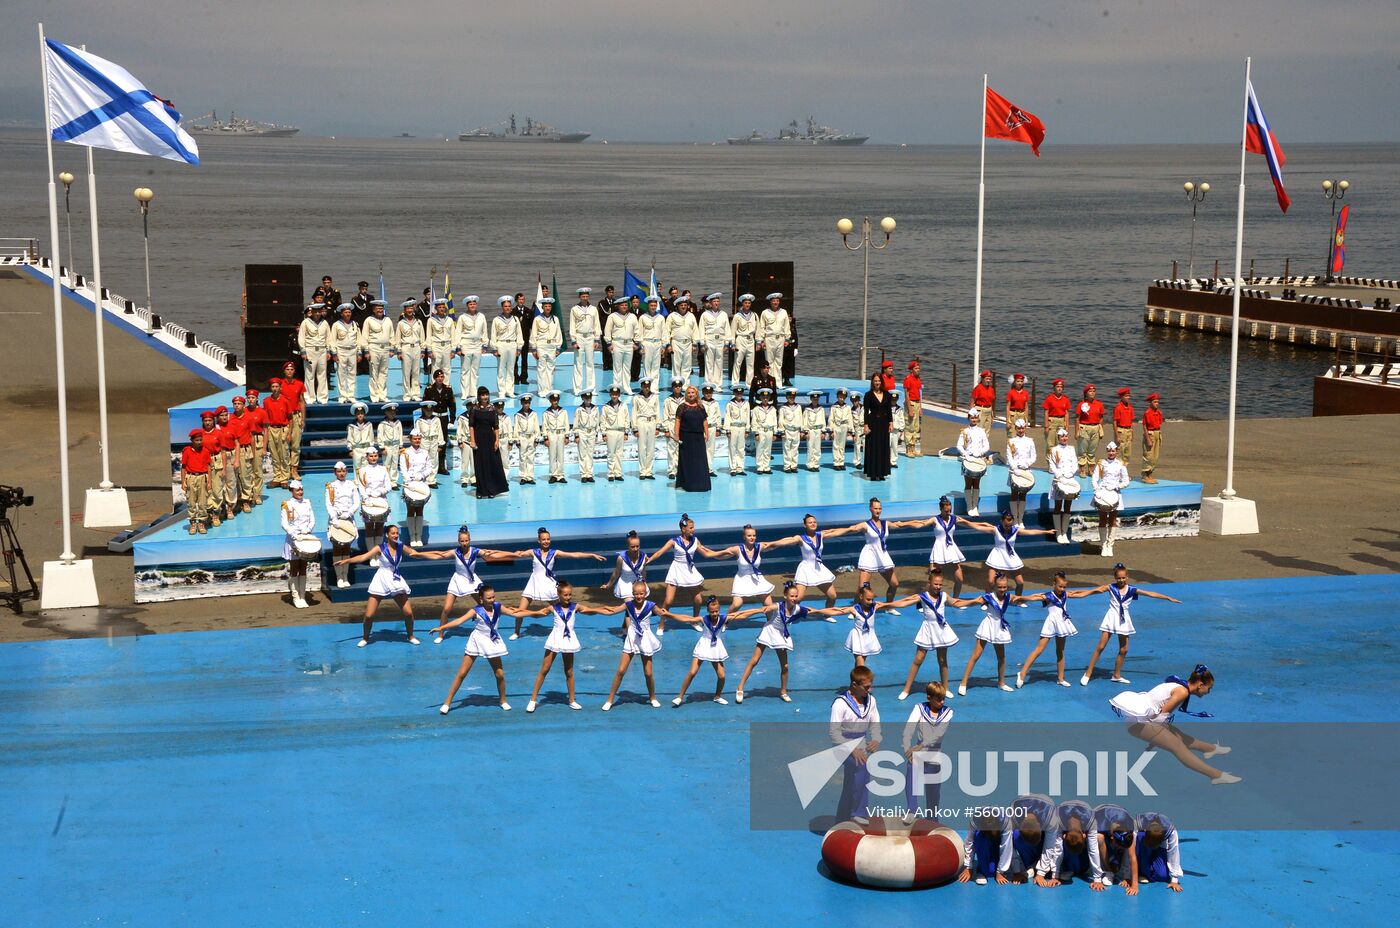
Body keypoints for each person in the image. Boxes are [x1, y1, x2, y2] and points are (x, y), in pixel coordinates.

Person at [1109, 664, 1237, 785]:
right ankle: (1216, 776)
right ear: (1200, 685)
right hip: (1141, 723)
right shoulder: (1182, 692)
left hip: (1143, 719)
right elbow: (1161, 717)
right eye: (1209, 688)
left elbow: (1160, 716)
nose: (1208, 692)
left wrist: (1156, 739)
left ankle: (1210, 749)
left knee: (1181, 737)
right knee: (1178, 747)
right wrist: (1154, 740)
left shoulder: (1178, 684)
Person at [432, 584, 546, 713]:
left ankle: (503, 700)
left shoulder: (498, 607)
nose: (492, 600)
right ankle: (447, 703)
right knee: (462, 673)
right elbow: (459, 621)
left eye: (493, 597)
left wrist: (535, 612)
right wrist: (441, 628)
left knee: (500, 674)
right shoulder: (475, 611)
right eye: (489, 598)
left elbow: (515, 613)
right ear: (481, 599)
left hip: (491, 642)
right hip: (477, 641)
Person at [524, 578, 625, 712]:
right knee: (544, 670)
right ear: (558, 595)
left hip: (568, 640)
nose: (568, 597)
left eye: (570, 594)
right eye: (565, 595)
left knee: (569, 671)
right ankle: (533, 700)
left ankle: (571, 700)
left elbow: (591, 610)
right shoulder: (552, 608)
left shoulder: (575, 607)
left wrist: (604, 609)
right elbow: (536, 614)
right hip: (554, 639)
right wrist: (519, 612)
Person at [733, 581, 843, 703]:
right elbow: (760, 610)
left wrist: (844, 611)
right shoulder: (777, 606)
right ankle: (740, 687)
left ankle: (783, 691)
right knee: (754, 661)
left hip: (781, 636)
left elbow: (819, 611)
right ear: (785, 596)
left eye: (796, 596)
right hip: (769, 632)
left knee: (785, 666)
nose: (794, 598)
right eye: (792, 596)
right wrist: (734, 616)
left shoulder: (798, 609)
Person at [1081, 562, 1182, 686]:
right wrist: (1074, 594)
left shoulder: (1132, 590)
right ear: (1115, 577)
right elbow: (1093, 591)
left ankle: (1116, 675)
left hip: (1124, 620)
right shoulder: (1110, 588)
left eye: (1123, 577)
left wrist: (1168, 598)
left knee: (1124, 649)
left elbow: (1150, 593)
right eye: (1119, 578)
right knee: (1101, 647)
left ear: (1127, 577)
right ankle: (1088, 673)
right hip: (1111, 618)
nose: (1121, 580)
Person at [888, 567, 982, 700]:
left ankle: (945, 688)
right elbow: (904, 602)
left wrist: (974, 602)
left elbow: (957, 602)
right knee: (918, 659)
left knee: (943, 660)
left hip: (941, 630)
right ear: (929, 583)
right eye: (935, 584)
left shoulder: (944, 596)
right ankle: (906, 689)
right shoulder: (922, 597)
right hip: (927, 630)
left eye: (940, 584)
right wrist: (886, 605)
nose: (938, 587)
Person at [336, 524, 435, 646]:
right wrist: (347, 561)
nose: (395, 535)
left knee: (408, 613)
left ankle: (410, 636)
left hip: (395, 580)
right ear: (387, 535)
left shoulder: (401, 547)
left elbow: (416, 554)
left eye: (397, 533)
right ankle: (365, 638)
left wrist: (435, 556)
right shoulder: (380, 548)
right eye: (393, 533)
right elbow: (363, 557)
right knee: (369, 615)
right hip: (381, 579)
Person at [422, 525, 519, 643]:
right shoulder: (455, 552)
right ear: (458, 541)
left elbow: (492, 554)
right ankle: (441, 635)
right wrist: (417, 554)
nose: (464, 543)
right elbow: (440, 555)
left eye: (466, 541)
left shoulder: (476, 551)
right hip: (457, 580)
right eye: (462, 541)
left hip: (472, 581)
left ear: (470, 540)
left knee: (488, 604)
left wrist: (512, 555)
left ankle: (491, 628)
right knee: (446, 609)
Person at [512, 526, 606, 639]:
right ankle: (516, 632)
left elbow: (573, 555)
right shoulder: (533, 552)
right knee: (521, 610)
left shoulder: (555, 552)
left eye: (548, 539)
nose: (546, 541)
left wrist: (591, 555)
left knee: (560, 609)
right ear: (539, 541)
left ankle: (565, 628)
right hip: (533, 583)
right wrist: (501, 553)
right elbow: (517, 555)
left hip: (548, 584)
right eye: (544, 539)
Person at [1014, 571, 1104, 689]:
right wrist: (1020, 597)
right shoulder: (1048, 596)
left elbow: (1080, 594)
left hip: (1062, 624)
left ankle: (1060, 678)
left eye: (1064, 587)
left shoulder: (1066, 594)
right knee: (1039, 649)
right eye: (1060, 586)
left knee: (1060, 651)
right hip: (1051, 624)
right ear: (1054, 584)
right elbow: (1034, 597)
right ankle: (1022, 673)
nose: (1062, 589)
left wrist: (1095, 590)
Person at [601, 582, 680, 711]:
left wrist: (681, 618)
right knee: (621, 671)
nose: (639, 596)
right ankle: (610, 700)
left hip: (645, 640)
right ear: (633, 594)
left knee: (648, 673)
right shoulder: (628, 605)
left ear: (646, 593)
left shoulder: (651, 606)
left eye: (641, 593)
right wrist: (597, 609)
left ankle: (653, 697)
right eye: (636, 594)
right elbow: (613, 611)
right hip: (632, 639)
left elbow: (664, 614)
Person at [647, 513, 728, 634]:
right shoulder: (673, 541)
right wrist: (649, 560)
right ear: (683, 529)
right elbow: (659, 552)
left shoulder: (695, 541)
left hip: (689, 571)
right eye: (691, 528)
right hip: (676, 570)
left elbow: (706, 553)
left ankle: (694, 621)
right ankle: (662, 624)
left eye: (693, 528)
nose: (693, 530)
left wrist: (722, 554)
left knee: (698, 600)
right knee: (668, 601)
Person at [830, 665, 882, 823]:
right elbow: (834, 734)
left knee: (850, 784)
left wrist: (876, 739)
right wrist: (852, 750)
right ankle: (858, 813)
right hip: (842, 746)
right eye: (866, 687)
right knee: (862, 766)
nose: (870, 689)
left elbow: (875, 724)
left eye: (871, 685)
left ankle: (841, 819)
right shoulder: (840, 704)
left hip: (861, 744)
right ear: (854, 685)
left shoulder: (871, 701)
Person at [962, 510, 1056, 598]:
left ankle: (1018, 600)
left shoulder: (1016, 530)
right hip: (997, 556)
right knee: (991, 582)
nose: (1008, 527)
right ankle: (987, 601)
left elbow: (1031, 532)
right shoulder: (995, 530)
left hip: (1010, 558)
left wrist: (1046, 531)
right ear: (1002, 521)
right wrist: (963, 521)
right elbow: (977, 527)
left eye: (1010, 525)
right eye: (1006, 525)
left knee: (1020, 583)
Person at [670, 595, 743, 706]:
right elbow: (686, 618)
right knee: (692, 672)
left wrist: (760, 610)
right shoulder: (703, 619)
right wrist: (669, 614)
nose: (714, 614)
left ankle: (717, 696)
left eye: (716, 611)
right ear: (708, 611)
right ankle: (680, 697)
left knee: (722, 676)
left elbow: (743, 615)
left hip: (716, 647)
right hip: (704, 646)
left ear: (719, 610)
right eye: (712, 612)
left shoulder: (724, 618)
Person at [849, 496, 917, 612]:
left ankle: (889, 606)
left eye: (880, 508)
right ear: (870, 509)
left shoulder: (886, 524)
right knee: (862, 587)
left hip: (882, 556)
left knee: (894, 583)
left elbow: (899, 525)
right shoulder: (866, 525)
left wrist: (914, 523)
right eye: (875, 508)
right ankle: (855, 608)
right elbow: (853, 528)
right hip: (869, 556)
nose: (878, 511)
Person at [957, 572, 1017, 694]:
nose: (1002, 589)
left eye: (1004, 587)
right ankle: (963, 683)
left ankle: (1001, 683)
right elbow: (972, 602)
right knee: (976, 655)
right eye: (999, 587)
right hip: (988, 627)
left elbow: (1025, 599)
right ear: (994, 587)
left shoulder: (1008, 597)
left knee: (1001, 658)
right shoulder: (988, 597)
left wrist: (1042, 597)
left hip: (999, 628)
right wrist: (956, 603)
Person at [900, 681, 952, 822]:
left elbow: (938, 735)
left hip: (935, 755)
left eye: (943, 699)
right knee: (911, 776)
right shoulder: (919, 709)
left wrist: (920, 746)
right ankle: (912, 810)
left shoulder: (948, 712)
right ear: (929, 697)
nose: (942, 702)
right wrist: (907, 749)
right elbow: (908, 730)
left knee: (933, 794)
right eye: (938, 699)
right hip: (919, 753)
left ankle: (932, 820)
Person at [784, 513, 858, 608]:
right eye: (810, 522)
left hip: (819, 568)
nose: (813, 524)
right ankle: (787, 614)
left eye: (814, 522)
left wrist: (850, 529)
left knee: (832, 596)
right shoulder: (800, 538)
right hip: (805, 569)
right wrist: (770, 544)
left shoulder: (821, 535)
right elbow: (787, 540)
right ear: (805, 525)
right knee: (797, 598)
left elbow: (834, 531)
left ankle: (827, 614)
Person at [906, 496, 969, 600]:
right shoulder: (935, 519)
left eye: (950, 510)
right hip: (939, 549)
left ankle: (956, 599)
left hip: (952, 548)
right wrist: (906, 524)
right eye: (946, 511)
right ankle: (924, 601)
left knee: (960, 578)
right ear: (941, 509)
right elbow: (921, 524)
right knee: (933, 579)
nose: (948, 513)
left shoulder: (954, 518)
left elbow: (970, 524)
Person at [840, 582, 903, 667]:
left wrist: (911, 601)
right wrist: (817, 611)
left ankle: (855, 679)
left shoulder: (874, 607)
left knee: (859, 664)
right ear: (861, 596)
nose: (870, 602)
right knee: (861, 664)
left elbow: (893, 604)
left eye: (872, 599)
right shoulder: (854, 609)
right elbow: (837, 610)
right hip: (857, 637)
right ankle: (859, 679)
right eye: (868, 599)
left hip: (868, 638)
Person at [324, 462, 362, 589]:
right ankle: (338, 577)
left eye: (343, 471)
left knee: (346, 547)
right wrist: (334, 517)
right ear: (335, 472)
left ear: (346, 471)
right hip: (336, 519)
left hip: (348, 518)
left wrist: (350, 512)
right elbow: (328, 504)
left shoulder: (352, 485)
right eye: (339, 471)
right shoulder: (330, 486)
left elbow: (356, 501)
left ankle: (345, 575)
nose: (341, 473)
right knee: (337, 548)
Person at [279, 481, 316, 608]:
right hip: (293, 539)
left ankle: (302, 595)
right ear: (292, 491)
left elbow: (312, 519)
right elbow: (284, 523)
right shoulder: (287, 505)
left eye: (301, 490)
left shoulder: (307, 503)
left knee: (303, 567)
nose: (300, 492)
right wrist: (294, 534)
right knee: (295, 568)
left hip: (305, 537)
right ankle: (295, 597)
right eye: (297, 490)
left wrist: (308, 529)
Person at [467, 387, 508, 499]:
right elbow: (471, 426)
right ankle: (480, 491)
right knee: (480, 464)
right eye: (482, 395)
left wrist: (497, 440)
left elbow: (496, 427)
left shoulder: (492, 409)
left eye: (486, 395)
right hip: (479, 439)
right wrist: (473, 440)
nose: (485, 397)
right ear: (479, 396)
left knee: (491, 464)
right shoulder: (474, 409)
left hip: (490, 439)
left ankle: (491, 490)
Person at [1092, 441, 1131, 557]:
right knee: (1103, 518)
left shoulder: (1120, 464)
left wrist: (1117, 486)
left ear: (1116, 452)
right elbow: (1094, 479)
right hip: (1103, 493)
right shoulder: (1101, 463)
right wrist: (1097, 490)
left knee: (1113, 520)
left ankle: (1110, 545)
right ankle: (1103, 545)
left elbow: (1126, 481)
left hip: (1115, 493)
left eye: (1113, 451)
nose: (1111, 453)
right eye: (1109, 451)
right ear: (1107, 451)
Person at [1089, 804, 1139, 893]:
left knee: (1118, 865)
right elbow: (1092, 850)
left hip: (1114, 828)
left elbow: (1132, 856)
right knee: (1098, 837)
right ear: (1112, 837)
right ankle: (1107, 870)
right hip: (1100, 824)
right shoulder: (1097, 822)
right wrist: (1097, 879)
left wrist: (1133, 884)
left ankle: (1119, 869)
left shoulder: (1130, 826)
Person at [673, 384, 711, 492]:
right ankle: (688, 484)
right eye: (689, 393)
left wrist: (706, 433)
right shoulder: (682, 407)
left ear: (696, 394)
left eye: (693, 392)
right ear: (686, 394)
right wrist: (676, 434)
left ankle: (701, 484)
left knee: (700, 461)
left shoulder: (701, 406)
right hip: (686, 437)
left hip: (698, 437)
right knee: (687, 461)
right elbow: (678, 421)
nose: (691, 394)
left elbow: (704, 420)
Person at [398, 430, 434, 546]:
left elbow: (429, 468)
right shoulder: (405, 453)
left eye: (419, 439)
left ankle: (418, 536)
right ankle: (412, 537)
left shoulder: (425, 452)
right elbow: (403, 468)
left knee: (420, 510)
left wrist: (422, 475)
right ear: (410, 439)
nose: (417, 441)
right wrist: (409, 480)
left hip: (421, 483)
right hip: (410, 484)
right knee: (410, 509)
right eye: (415, 439)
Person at [1135, 813, 1189, 888]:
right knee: (1139, 836)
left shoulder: (1171, 832)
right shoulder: (1140, 824)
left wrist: (1174, 880)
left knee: (1162, 876)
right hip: (1143, 844)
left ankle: (1146, 872)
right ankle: (1141, 872)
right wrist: (1128, 875)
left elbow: (1173, 853)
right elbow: (1131, 849)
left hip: (1161, 848)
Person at [356, 446, 391, 560]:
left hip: (381, 499)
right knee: (369, 528)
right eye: (371, 456)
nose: (373, 458)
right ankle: (371, 556)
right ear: (367, 457)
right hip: (368, 500)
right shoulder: (362, 470)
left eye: (375, 455)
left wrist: (381, 491)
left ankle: (379, 555)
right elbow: (361, 486)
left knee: (380, 527)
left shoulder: (383, 469)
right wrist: (366, 497)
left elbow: (388, 485)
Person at [1047, 428, 1079, 544]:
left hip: (1070, 479)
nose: (1064, 438)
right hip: (1059, 479)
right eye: (1062, 437)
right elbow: (1052, 464)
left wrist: (1071, 472)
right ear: (1058, 438)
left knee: (1068, 506)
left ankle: (1064, 532)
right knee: (1058, 505)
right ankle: (1058, 532)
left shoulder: (1071, 449)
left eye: (1066, 436)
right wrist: (1059, 474)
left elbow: (1075, 462)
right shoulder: (1054, 450)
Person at [957, 408, 991, 517]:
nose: (974, 419)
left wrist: (980, 452)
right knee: (968, 483)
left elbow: (986, 445)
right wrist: (966, 454)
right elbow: (959, 445)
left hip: (978, 459)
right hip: (968, 459)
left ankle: (974, 506)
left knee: (976, 483)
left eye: (976, 417)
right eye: (972, 417)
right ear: (969, 418)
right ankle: (969, 506)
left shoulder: (982, 431)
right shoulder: (964, 431)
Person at [227, 395, 258, 513]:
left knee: (245, 476)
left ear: (243, 405)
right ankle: (237, 500)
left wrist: (254, 453)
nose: (237, 405)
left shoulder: (249, 418)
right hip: (233, 451)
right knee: (234, 477)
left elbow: (252, 437)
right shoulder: (229, 418)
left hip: (245, 449)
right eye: (235, 403)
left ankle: (246, 500)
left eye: (239, 403)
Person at [453, 295, 488, 398]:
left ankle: (473, 392)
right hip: (466, 344)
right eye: (470, 304)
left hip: (477, 344)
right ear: (467, 305)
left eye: (474, 304)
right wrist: (458, 347)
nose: (472, 305)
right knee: (465, 370)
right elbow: (458, 332)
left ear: (476, 304)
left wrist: (485, 345)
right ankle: (465, 393)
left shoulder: (481, 316)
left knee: (475, 370)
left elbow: (484, 331)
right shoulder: (462, 317)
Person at [569, 287, 601, 397]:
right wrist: (573, 340)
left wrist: (597, 339)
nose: (585, 298)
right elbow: (572, 325)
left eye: (586, 296)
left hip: (590, 337)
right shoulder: (574, 309)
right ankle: (577, 389)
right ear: (579, 297)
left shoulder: (593, 309)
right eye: (583, 296)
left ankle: (591, 388)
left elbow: (597, 324)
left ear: (589, 297)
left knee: (590, 363)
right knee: (578, 363)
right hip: (579, 336)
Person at [361, 299, 394, 402]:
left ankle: (382, 395)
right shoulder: (369, 320)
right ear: (373, 309)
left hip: (385, 348)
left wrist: (392, 348)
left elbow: (392, 335)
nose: (380, 310)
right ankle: (374, 395)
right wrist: (366, 351)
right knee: (374, 372)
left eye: (381, 308)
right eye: (378, 308)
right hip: (373, 348)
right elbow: (364, 336)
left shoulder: (388, 320)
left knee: (384, 372)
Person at [261, 381, 293, 489]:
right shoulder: (266, 401)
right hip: (271, 429)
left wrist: (289, 433)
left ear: (280, 388)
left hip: (282, 429)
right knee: (274, 455)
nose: (275, 388)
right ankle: (277, 477)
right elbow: (265, 418)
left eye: (276, 386)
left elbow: (290, 418)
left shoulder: (285, 401)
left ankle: (284, 478)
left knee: (284, 454)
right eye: (273, 386)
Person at [180, 428, 213, 534]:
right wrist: (183, 481)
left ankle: (202, 523)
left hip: (202, 477)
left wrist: (209, 482)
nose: (199, 442)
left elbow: (209, 466)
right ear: (192, 440)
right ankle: (193, 523)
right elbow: (183, 467)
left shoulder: (205, 451)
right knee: (191, 502)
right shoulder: (187, 451)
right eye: (197, 440)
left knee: (203, 502)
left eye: (200, 440)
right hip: (191, 477)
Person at [862, 373, 894, 481]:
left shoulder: (887, 394)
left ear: (881, 382)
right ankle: (873, 473)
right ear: (872, 382)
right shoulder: (868, 395)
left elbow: (889, 410)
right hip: (873, 423)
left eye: (879, 381)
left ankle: (881, 473)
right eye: (875, 381)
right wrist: (865, 425)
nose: (877, 383)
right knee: (873, 447)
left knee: (883, 447)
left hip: (884, 423)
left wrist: (891, 423)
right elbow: (866, 412)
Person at [297, 302, 331, 404]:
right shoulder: (306, 322)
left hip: (321, 350)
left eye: (319, 311)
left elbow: (328, 338)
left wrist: (328, 350)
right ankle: (309, 397)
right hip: (310, 350)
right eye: (315, 311)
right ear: (311, 312)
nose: (317, 314)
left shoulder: (325, 323)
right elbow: (301, 337)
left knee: (322, 374)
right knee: (309, 375)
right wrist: (303, 351)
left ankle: (322, 397)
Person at [1005, 418, 1036, 526]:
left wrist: (1027, 464)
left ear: (1025, 428)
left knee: (1023, 494)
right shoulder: (1011, 441)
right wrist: (1014, 467)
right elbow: (1009, 456)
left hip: (1025, 470)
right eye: (1019, 428)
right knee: (1014, 494)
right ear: (1016, 428)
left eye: (1022, 428)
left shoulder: (1030, 441)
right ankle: (1014, 518)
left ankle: (1020, 518)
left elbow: (1033, 456)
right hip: (1015, 470)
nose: (1021, 430)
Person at [393, 300, 425, 402]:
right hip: (405, 348)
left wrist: (423, 349)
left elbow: (422, 337)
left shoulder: (418, 322)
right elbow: (397, 338)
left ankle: (415, 393)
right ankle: (407, 394)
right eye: (408, 309)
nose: (410, 310)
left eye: (411, 308)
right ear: (405, 310)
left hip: (416, 347)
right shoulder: (401, 323)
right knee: (406, 372)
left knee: (416, 372)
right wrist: (398, 351)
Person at [603, 297, 636, 395]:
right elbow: (607, 330)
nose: (624, 307)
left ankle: (627, 387)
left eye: (626, 305)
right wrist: (609, 343)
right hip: (617, 343)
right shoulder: (612, 316)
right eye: (622, 305)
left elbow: (637, 329)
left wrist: (637, 342)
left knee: (627, 367)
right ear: (617, 306)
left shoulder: (632, 316)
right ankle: (617, 388)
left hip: (629, 343)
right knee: (617, 367)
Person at [491, 296, 523, 398]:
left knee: (510, 369)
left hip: (512, 344)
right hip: (501, 344)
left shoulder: (515, 319)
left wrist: (519, 347)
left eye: (509, 306)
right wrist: (494, 348)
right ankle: (501, 391)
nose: (507, 308)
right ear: (502, 307)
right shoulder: (496, 319)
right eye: (505, 306)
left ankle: (510, 390)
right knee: (501, 369)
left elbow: (519, 334)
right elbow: (493, 335)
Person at [424, 372, 455, 476]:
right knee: (432, 440)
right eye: (438, 377)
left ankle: (441, 466)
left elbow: (452, 405)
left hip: (444, 417)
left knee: (443, 441)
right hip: (432, 417)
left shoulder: (448, 389)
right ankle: (430, 466)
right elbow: (424, 404)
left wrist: (452, 420)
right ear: (434, 378)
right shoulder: (429, 389)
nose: (440, 379)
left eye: (442, 377)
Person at [530, 297, 563, 397]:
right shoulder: (537, 319)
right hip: (541, 345)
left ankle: (549, 389)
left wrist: (558, 347)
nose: (548, 308)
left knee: (550, 368)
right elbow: (534, 334)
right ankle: (541, 390)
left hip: (552, 346)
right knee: (541, 369)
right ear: (542, 307)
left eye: (549, 306)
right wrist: (534, 348)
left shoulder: (555, 319)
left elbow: (558, 333)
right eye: (546, 306)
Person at [330, 303, 362, 403]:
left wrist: (359, 352)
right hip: (341, 351)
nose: (348, 314)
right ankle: (342, 395)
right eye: (345, 312)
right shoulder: (336, 325)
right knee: (341, 374)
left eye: (349, 312)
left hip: (352, 350)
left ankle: (351, 395)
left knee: (352, 374)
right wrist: (334, 353)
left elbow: (358, 339)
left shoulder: (355, 324)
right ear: (341, 314)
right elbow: (332, 340)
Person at [631, 378, 662, 480]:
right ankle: (642, 471)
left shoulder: (655, 397)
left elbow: (657, 411)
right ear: (641, 387)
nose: (646, 388)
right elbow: (634, 413)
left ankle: (648, 471)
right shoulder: (636, 397)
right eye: (644, 386)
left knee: (651, 448)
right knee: (642, 447)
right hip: (641, 421)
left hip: (652, 422)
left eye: (648, 386)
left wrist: (658, 426)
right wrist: (634, 428)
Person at [244, 388, 268, 505]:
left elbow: (266, 430)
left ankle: (257, 494)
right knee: (247, 471)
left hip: (258, 441)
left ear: (257, 399)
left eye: (253, 398)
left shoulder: (262, 412)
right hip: (247, 442)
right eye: (249, 398)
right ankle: (249, 494)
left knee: (257, 470)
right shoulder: (244, 411)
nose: (251, 400)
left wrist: (264, 447)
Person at [1074, 384, 1105, 476]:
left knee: (1092, 450)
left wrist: (1101, 429)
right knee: (1082, 450)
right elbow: (1077, 419)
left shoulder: (1099, 404)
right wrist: (1077, 431)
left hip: (1095, 428)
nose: (1092, 393)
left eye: (1094, 391)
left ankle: (1091, 469)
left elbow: (1101, 418)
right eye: (1090, 391)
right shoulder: (1081, 404)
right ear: (1086, 393)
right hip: (1084, 427)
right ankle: (1082, 469)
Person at [698, 292, 729, 387]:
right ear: (710, 303)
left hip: (720, 340)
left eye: (718, 301)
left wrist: (727, 343)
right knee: (709, 363)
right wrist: (702, 343)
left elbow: (727, 329)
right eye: (714, 301)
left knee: (719, 363)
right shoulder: (705, 315)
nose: (716, 303)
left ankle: (718, 384)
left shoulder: (723, 314)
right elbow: (701, 329)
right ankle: (709, 383)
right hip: (709, 341)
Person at [666, 295, 698, 386]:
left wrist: (695, 343)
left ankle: (685, 384)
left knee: (687, 365)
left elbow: (695, 329)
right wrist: (668, 345)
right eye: (681, 305)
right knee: (676, 365)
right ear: (677, 306)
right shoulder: (672, 316)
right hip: (676, 342)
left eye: (685, 305)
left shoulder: (691, 316)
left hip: (688, 343)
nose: (683, 307)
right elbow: (667, 331)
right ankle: (677, 384)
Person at [601, 386, 629, 481]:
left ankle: (618, 473)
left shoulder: (624, 405)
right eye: (613, 394)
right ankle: (610, 474)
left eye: (616, 394)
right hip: (610, 431)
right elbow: (603, 420)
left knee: (619, 454)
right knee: (611, 453)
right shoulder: (606, 407)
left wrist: (626, 432)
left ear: (619, 395)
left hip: (621, 431)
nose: (614, 396)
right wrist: (604, 433)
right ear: (610, 394)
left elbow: (626, 419)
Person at [541, 392, 571, 484]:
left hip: (561, 434)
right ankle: (553, 475)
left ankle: (560, 475)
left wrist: (567, 436)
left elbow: (566, 424)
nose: (555, 401)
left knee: (560, 456)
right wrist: (545, 438)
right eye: (553, 400)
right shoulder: (546, 413)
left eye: (557, 400)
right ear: (550, 401)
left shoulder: (564, 411)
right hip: (551, 434)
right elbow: (544, 426)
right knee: (552, 455)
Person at [759, 293, 789, 383]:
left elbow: (786, 326)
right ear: (770, 302)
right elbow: (762, 327)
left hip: (780, 338)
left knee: (779, 361)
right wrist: (761, 341)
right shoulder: (765, 312)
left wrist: (787, 338)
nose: (776, 302)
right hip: (769, 338)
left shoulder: (784, 312)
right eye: (774, 301)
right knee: (769, 361)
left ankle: (778, 382)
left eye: (777, 301)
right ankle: (770, 381)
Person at [511, 395, 541, 485]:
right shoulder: (518, 415)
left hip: (531, 437)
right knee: (523, 458)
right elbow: (516, 428)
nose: (526, 405)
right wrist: (516, 439)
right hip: (522, 437)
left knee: (531, 458)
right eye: (524, 403)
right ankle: (523, 476)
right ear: (521, 403)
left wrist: (537, 438)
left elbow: (536, 426)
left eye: (528, 403)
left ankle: (530, 477)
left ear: (530, 403)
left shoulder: (534, 414)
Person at [638, 296, 667, 388]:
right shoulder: (643, 317)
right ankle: (647, 386)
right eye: (651, 305)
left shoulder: (661, 318)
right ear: (648, 306)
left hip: (658, 343)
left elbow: (664, 332)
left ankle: (654, 387)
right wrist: (641, 346)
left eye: (655, 305)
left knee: (656, 366)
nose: (653, 307)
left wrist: (664, 346)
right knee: (647, 365)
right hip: (647, 343)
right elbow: (640, 333)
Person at [572, 390, 600, 483]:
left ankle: (589, 474)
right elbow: (576, 424)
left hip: (591, 432)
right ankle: (583, 474)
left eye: (590, 397)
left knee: (590, 454)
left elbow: (597, 422)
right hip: (582, 432)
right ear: (582, 398)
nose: (588, 399)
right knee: (582, 454)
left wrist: (596, 433)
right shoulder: (579, 410)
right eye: (586, 398)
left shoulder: (595, 408)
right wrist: (576, 435)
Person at [730, 294, 758, 384]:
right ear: (742, 304)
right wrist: (732, 343)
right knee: (738, 362)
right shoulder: (737, 316)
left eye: (749, 303)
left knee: (750, 363)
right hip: (741, 339)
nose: (747, 305)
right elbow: (733, 331)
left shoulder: (754, 315)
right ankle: (735, 382)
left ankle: (749, 383)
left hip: (750, 340)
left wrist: (758, 342)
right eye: (745, 303)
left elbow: (758, 329)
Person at [723, 384, 750, 476]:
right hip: (733, 427)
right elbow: (727, 417)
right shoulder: (730, 404)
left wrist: (747, 429)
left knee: (741, 448)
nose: (739, 394)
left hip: (742, 427)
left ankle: (740, 468)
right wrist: (727, 430)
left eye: (741, 392)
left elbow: (747, 417)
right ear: (734, 393)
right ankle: (733, 468)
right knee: (732, 448)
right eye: (737, 392)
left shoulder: (746, 403)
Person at [750, 388, 778, 474]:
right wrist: (756, 433)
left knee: (767, 450)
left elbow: (774, 421)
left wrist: (775, 433)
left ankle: (766, 467)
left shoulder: (772, 409)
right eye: (763, 397)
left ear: (769, 398)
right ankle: (759, 467)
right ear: (760, 398)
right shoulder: (756, 409)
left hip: (769, 431)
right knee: (759, 449)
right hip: (761, 431)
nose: (765, 399)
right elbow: (754, 421)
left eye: (767, 397)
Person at [1040, 377, 1070, 455]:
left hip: (1061, 422)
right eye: (1057, 386)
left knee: (1060, 443)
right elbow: (1046, 412)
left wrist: (1067, 426)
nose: (1059, 388)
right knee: (1050, 444)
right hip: (1052, 422)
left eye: (1061, 387)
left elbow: (1066, 413)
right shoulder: (1049, 399)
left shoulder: (1065, 399)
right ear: (1054, 388)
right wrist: (1046, 426)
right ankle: (1050, 463)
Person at [375, 402, 403, 484]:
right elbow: (380, 436)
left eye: (394, 412)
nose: (392, 414)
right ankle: (386, 481)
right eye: (390, 412)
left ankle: (393, 481)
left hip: (396, 445)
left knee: (394, 464)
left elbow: (400, 434)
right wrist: (382, 448)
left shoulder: (398, 422)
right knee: (386, 464)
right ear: (386, 412)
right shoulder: (382, 424)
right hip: (387, 446)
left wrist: (400, 446)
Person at [802, 391, 829, 471]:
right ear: (811, 399)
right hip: (810, 430)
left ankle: (816, 464)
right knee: (810, 448)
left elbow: (823, 421)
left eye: (817, 399)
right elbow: (804, 421)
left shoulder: (821, 409)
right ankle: (810, 465)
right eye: (814, 399)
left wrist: (823, 431)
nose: (815, 400)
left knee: (817, 449)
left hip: (818, 430)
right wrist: (806, 431)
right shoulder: (807, 409)